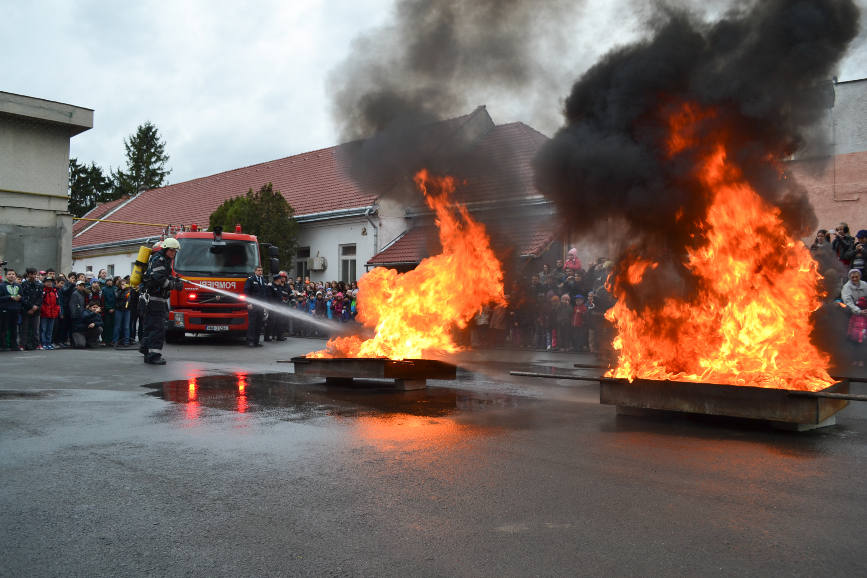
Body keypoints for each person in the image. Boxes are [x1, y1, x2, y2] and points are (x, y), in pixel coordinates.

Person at [140, 238, 183, 364]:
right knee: (157, 328)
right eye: (172, 250)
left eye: (175, 251)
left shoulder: (164, 260)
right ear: (166, 249)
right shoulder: (159, 260)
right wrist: (174, 285)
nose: (174, 253)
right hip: (155, 299)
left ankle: (147, 351)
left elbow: (165, 276)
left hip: (155, 299)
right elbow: (159, 279)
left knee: (151, 326)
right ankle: (154, 355)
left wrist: (174, 279)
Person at [244, 265, 268, 347]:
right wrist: (248, 303)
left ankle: (256, 341)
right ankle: (250, 341)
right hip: (253, 305)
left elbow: (265, 294)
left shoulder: (264, 280)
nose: (260, 272)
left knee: (259, 323)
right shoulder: (250, 279)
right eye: (258, 270)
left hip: (261, 306)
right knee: (252, 323)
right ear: (255, 271)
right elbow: (246, 292)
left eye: (261, 270)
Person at [20, 267, 43, 350]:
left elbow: (40, 297)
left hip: (36, 310)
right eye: (31, 274)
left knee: (36, 329)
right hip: (26, 310)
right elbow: (23, 297)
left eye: (34, 274)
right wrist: (30, 307)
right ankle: (23, 345)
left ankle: (37, 344)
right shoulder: (23, 284)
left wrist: (35, 306)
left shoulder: (39, 284)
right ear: (28, 274)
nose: (33, 276)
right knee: (25, 328)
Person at [0, 269, 22, 351]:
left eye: (13, 274)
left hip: (15, 309)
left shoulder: (18, 286)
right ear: (6, 276)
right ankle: (3, 345)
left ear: (15, 276)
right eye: (9, 274)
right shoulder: (2, 285)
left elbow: (21, 296)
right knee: (4, 328)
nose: (11, 275)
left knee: (14, 328)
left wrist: (19, 298)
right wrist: (10, 297)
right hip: (5, 309)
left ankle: (14, 345)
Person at [39, 276, 60, 350]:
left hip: (53, 313)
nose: (49, 283)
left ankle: (49, 343)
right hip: (44, 313)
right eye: (47, 281)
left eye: (50, 282)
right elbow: (40, 302)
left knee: (50, 330)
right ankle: (43, 343)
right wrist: (43, 310)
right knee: (43, 329)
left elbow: (57, 302)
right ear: (44, 283)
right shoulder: (43, 291)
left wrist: (57, 310)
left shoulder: (54, 291)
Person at [114, 278, 132, 347]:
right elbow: (117, 296)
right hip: (119, 309)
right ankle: (115, 341)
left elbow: (130, 299)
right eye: (122, 284)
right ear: (119, 285)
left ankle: (126, 342)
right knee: (117, 326)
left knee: (126, 327)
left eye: (125, 284)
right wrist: (122, 290)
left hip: (127, 310)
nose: (123, 285)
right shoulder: (117, 290)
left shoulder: (129, 291)